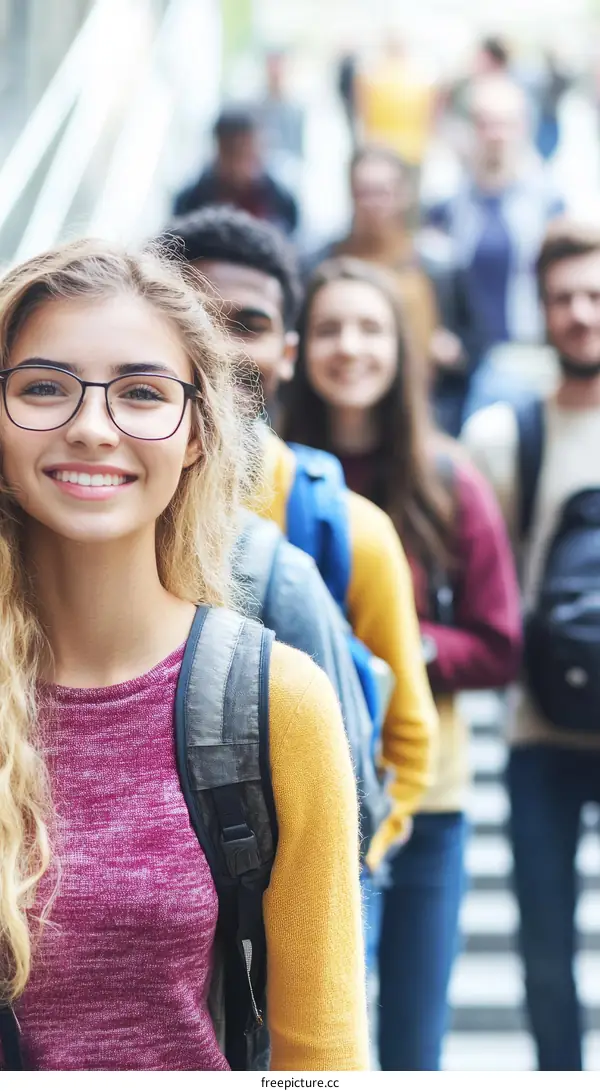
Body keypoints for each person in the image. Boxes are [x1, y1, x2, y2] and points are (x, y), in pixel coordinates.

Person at [0, 238, 368, 1072]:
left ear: (198, 431)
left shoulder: (276, 701)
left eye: (140, 392)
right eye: (45, 387)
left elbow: (322, 1054)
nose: (92, 427)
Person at [284, 256, 522, 1071]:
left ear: (402, 349)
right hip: (294, 801)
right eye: (329, 329)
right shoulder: (268, 479)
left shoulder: (450, 481)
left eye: (369, 328)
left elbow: (499, 643)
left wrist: (398, 646)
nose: (349, 347)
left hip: (428, 800)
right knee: (309, 1050)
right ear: (299, 348)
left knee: (415, 1045)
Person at [163, 206, 439, 881]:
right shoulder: (101, 515)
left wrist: (344, 868)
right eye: (197, 320)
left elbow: (407, 736)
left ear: (288, 352)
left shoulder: (352, 529)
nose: (223, 347)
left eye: (248, 324)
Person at [462, 221, 600, 1072]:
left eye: (594, 296)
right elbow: (493, 585)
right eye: (563, 299)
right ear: (540, 311)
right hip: (538, 732)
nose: (581, 314)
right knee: (545, 952)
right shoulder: (504, 435)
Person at [426, 75, 564, 436]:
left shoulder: (549, 203)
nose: (495, 133)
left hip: (531, 354)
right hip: (465, 366)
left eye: (505, 123)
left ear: (523, 127)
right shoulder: (447, 206)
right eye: (484, 122)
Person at [306, 145, 463, 375]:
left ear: (404, 194)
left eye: (382, 192)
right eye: (364, 192)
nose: (372, 203)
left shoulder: (436, 266)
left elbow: (470, 342)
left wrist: (453, 350)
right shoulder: (323, 263)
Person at [173, 108, 298, 237]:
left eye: (250, 154)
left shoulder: (282, 202)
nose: (241, 166)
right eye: (234, 153)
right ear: (219, 149)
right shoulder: (190, 202)